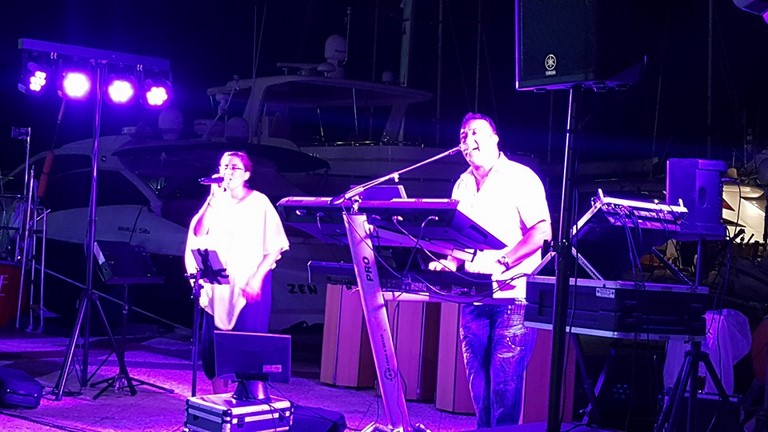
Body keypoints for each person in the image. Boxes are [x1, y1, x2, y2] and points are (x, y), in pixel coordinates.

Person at [429, 112, 552, 428]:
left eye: (475, 133)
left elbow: (542, 232)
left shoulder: (520, 177)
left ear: (495, 139)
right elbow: (457, 238)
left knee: (504, 387)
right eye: (463, 136)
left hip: (512, 297)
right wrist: (448, 263)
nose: (468, 140)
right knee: (478, 384)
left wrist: (505, 261)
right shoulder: (462, 183)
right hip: (473, 295)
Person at [184, 151, 290, 394]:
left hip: (247, 284)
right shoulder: (216, 202)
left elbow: (275, 246)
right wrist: (212, 200)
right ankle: (219, 400)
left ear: (246, 174)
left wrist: (256, 279)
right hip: (218, 286)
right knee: (214, 346)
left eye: (234, 167)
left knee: (247, 344)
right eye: (224, 166)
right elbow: (198, 232)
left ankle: (251, 398)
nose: (227, 172)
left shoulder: (259, 202)